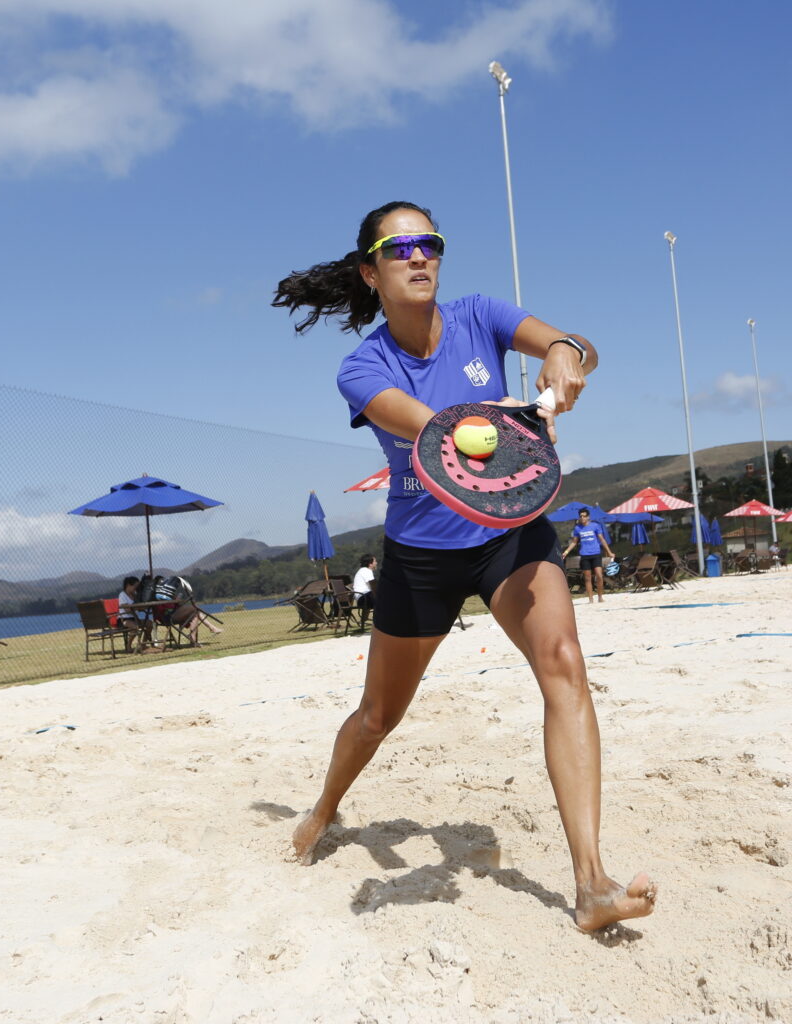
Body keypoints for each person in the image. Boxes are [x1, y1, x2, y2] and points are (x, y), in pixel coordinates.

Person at [272, 200, 656, 932]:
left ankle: (591, 883)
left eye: (430, 243)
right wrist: (512, 412)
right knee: (379, 715)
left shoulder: (481, 315)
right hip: (422, 556)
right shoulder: (363, 368)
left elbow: (576, 345)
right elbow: (447, 433)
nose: (418, 256)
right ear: (370, 271)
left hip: (510, 534)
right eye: (399, 247)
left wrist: (566, 356)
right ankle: (323, 810)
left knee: (564, 662)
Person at [561, 509, 615, 603]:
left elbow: (602, 540)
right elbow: (574, 542)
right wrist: (566, 552)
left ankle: (600, 597)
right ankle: (590, 598)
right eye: (581, 516)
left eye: (584, 516)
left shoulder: (595, 526)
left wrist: (609, 552)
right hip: (585, 555)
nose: (582, 518)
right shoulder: (577, 528)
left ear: (588, 517)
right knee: (587, 577)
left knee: (599, 575)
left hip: (596, 553)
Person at [117, 575, 144, 652]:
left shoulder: (135, 595)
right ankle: (128, 646)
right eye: (135, 587)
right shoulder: (122, 595)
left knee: (149, 624)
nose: (136, 589)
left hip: (134, 618)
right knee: (136, 627)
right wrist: (137, 607)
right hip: (124, 619)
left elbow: (138, 608)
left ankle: (144, 644)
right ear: (128, 585)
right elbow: (126, 609)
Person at [352, 554, 377, 630]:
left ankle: (379, 621)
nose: (376, 563)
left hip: (363, 598)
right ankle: (382, 621)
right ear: (370, 564)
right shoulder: (366, 571)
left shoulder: (363, 571)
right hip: (363, 599)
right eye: (375, 561)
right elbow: (373, 586)